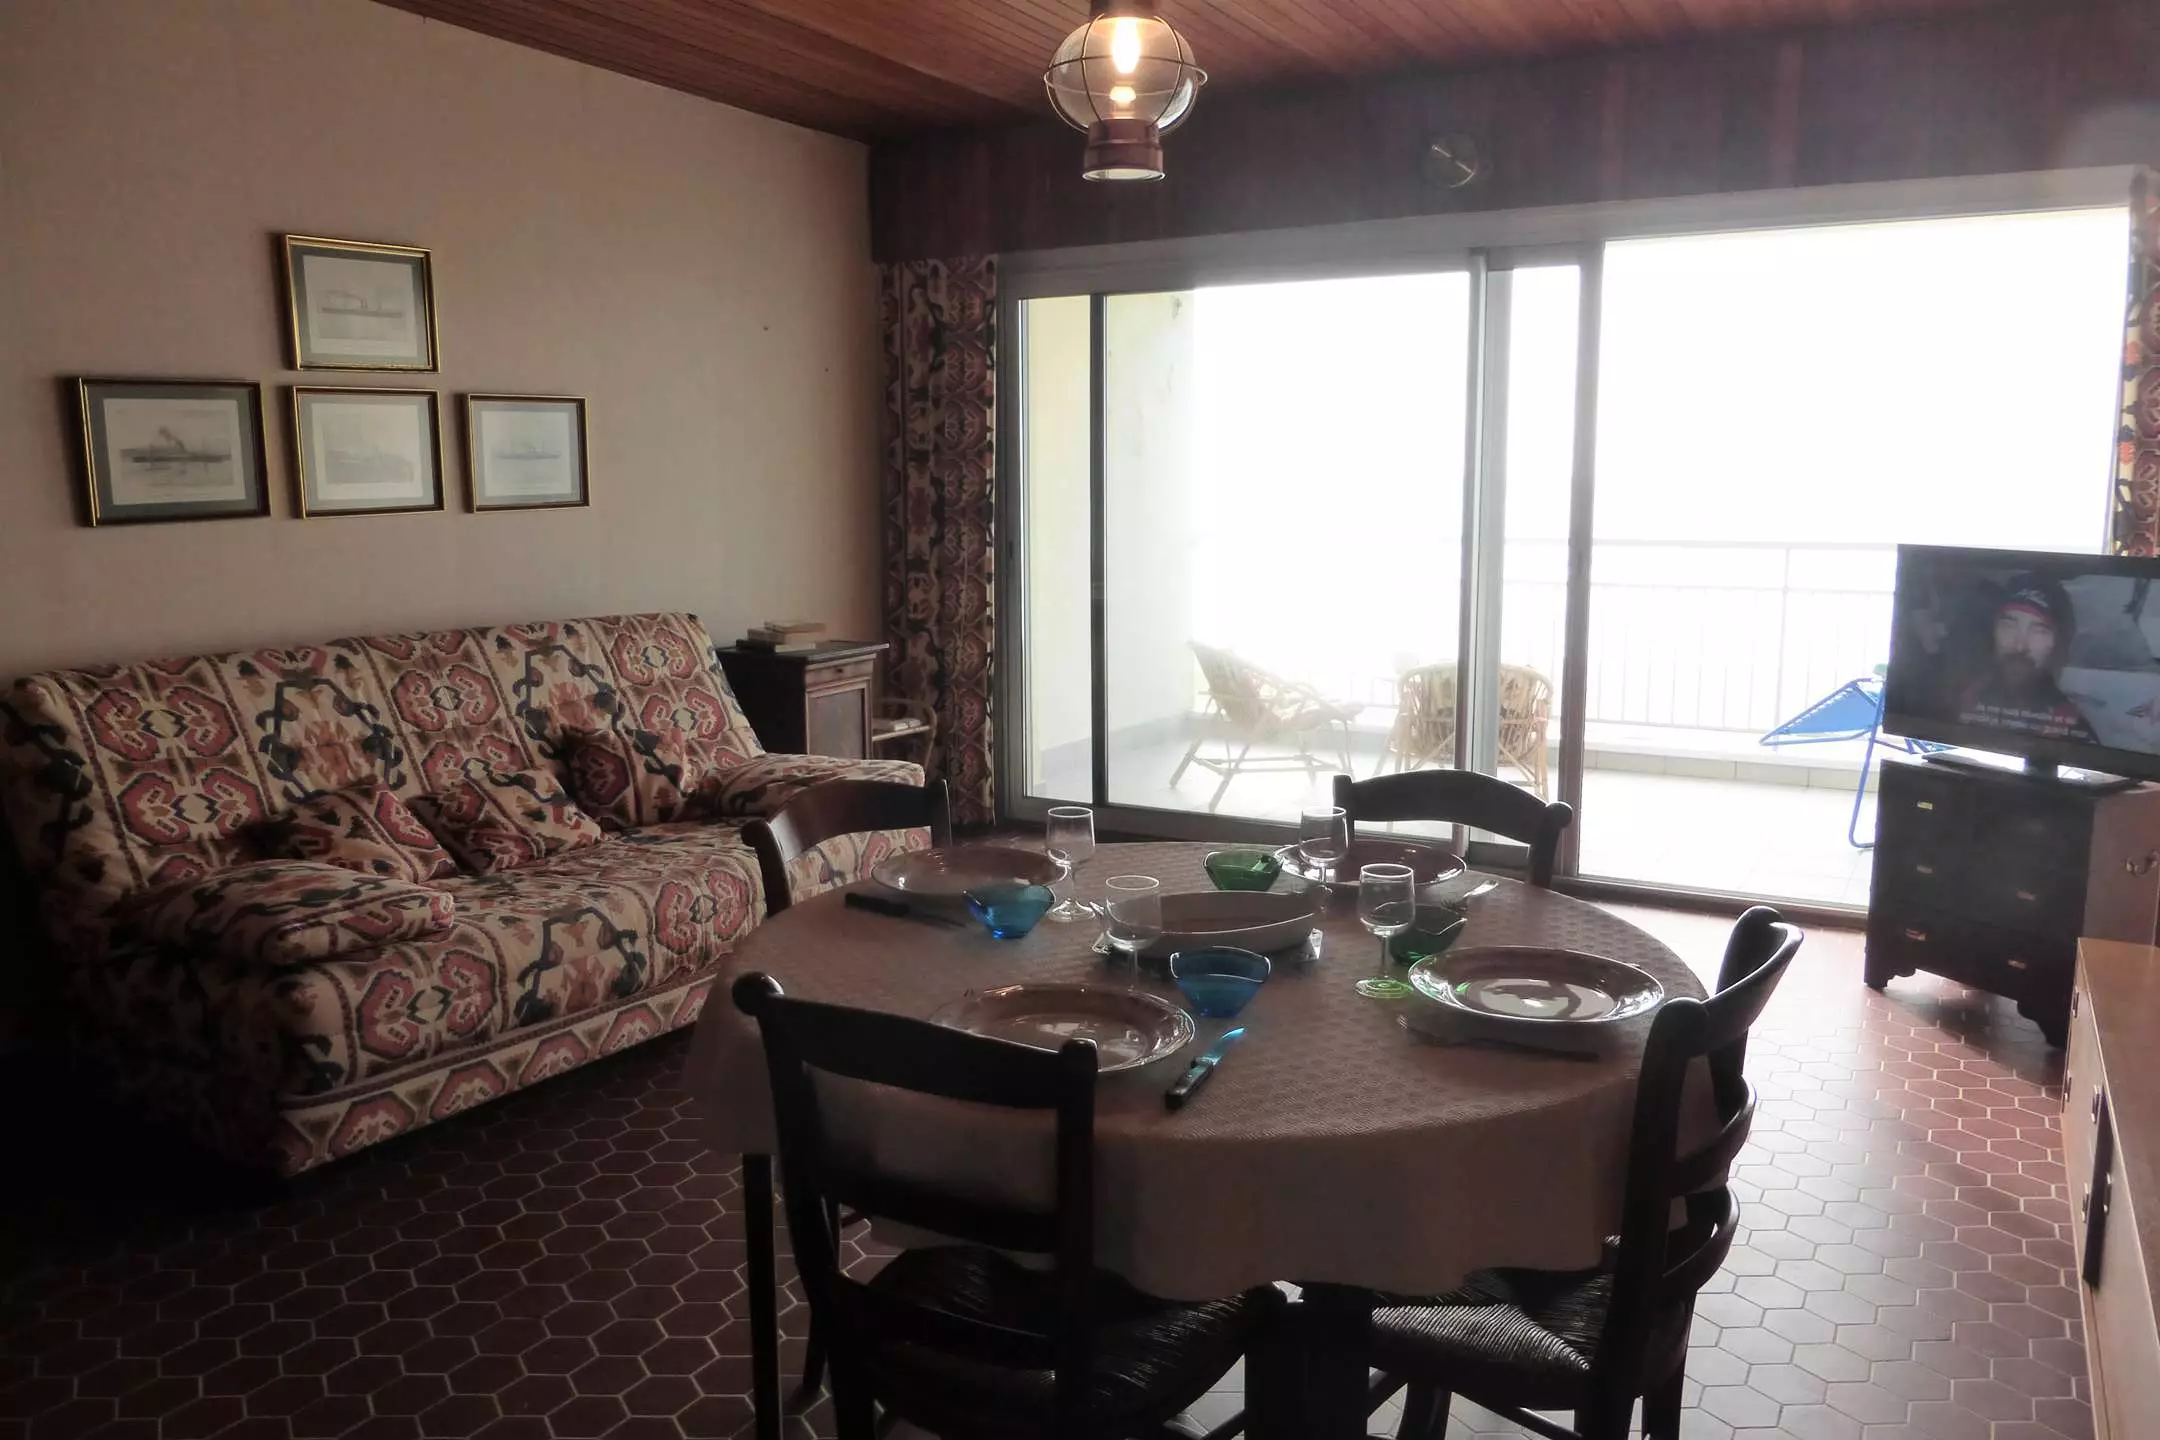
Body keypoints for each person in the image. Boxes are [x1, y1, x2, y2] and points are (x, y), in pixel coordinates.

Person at [1955, 573, 2098, 744]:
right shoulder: (1961, 701)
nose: (2020, 646)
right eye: (2009, 626)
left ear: (2057, 645)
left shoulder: (2073, 732)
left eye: (2039, 631)